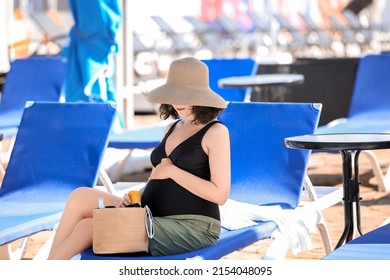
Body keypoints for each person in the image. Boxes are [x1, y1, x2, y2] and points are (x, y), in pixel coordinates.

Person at [48, 57, 231, 259]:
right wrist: (135, 196)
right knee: (80, 196)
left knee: (89, 227)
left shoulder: (216, 132)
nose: (178, 102)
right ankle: (47, 268)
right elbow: (158, 180)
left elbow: (220, 194)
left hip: (192, 227)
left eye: (185, 95)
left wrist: (173, 172)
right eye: (174, 94)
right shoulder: (172, 128)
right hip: (151, 213)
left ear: (200, 96)